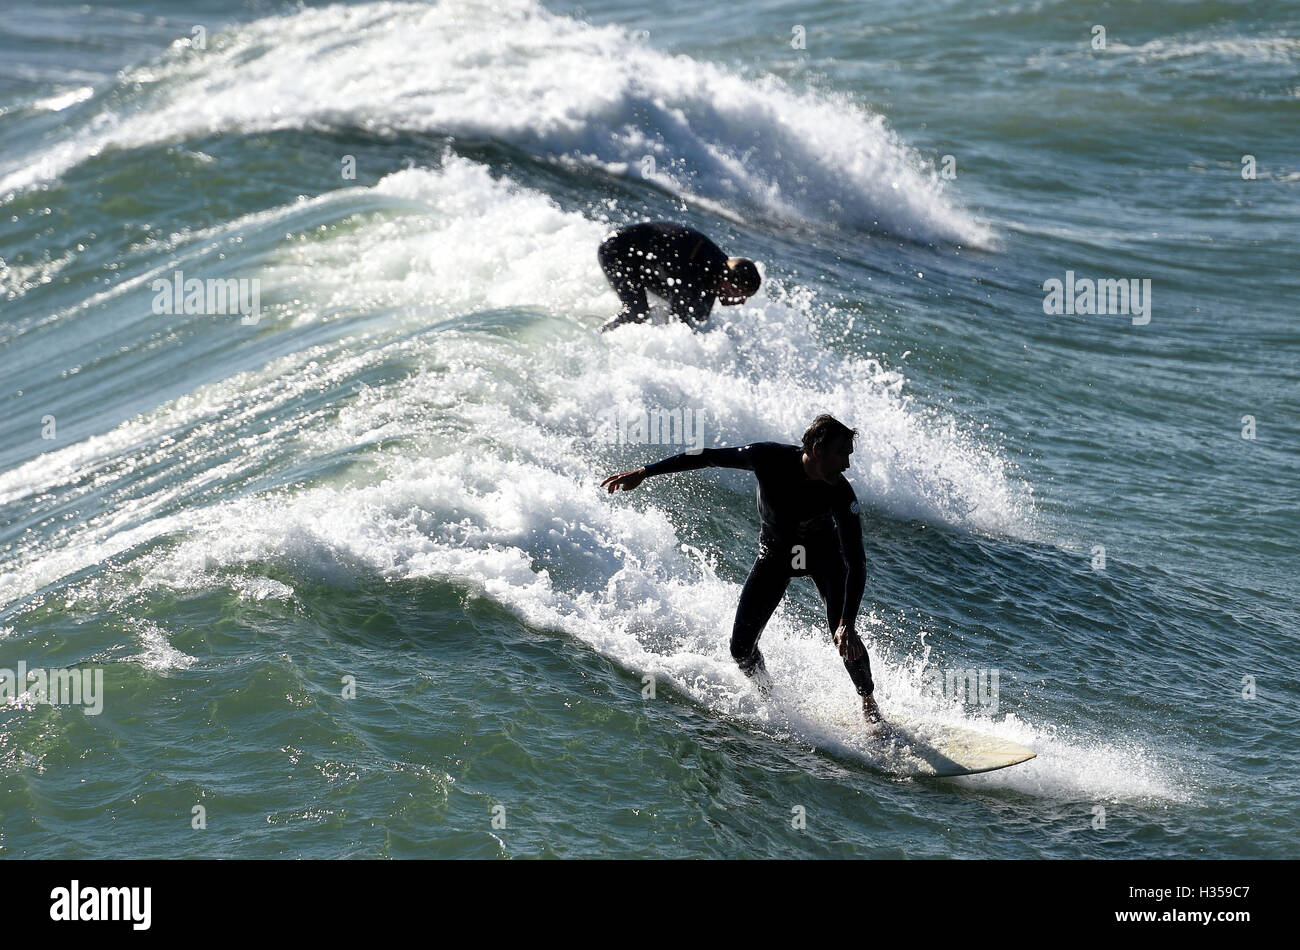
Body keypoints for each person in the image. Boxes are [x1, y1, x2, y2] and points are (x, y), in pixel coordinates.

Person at [600, 414, 883, 725]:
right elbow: (706, 457)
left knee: (844, 639)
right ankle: (771, 699)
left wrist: (848, 622)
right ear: (817, 450)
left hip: (823, 557)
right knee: (740, 650)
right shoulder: (767, 457)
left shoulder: (841, 493)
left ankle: (869, 705)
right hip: (775, 555)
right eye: (842, 454)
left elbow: (857, 562)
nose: (847, 465)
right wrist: (646, 472)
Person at [597, 221, 761, 332]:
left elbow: (696, 326)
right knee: (637, 312)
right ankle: (599, 335)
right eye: (741, 294)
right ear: (727, 284)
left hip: (644, 262)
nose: (741, 301)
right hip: (616, 250)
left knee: (664, 313)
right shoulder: (696, 273)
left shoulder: (715, 277)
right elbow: (678, 327)